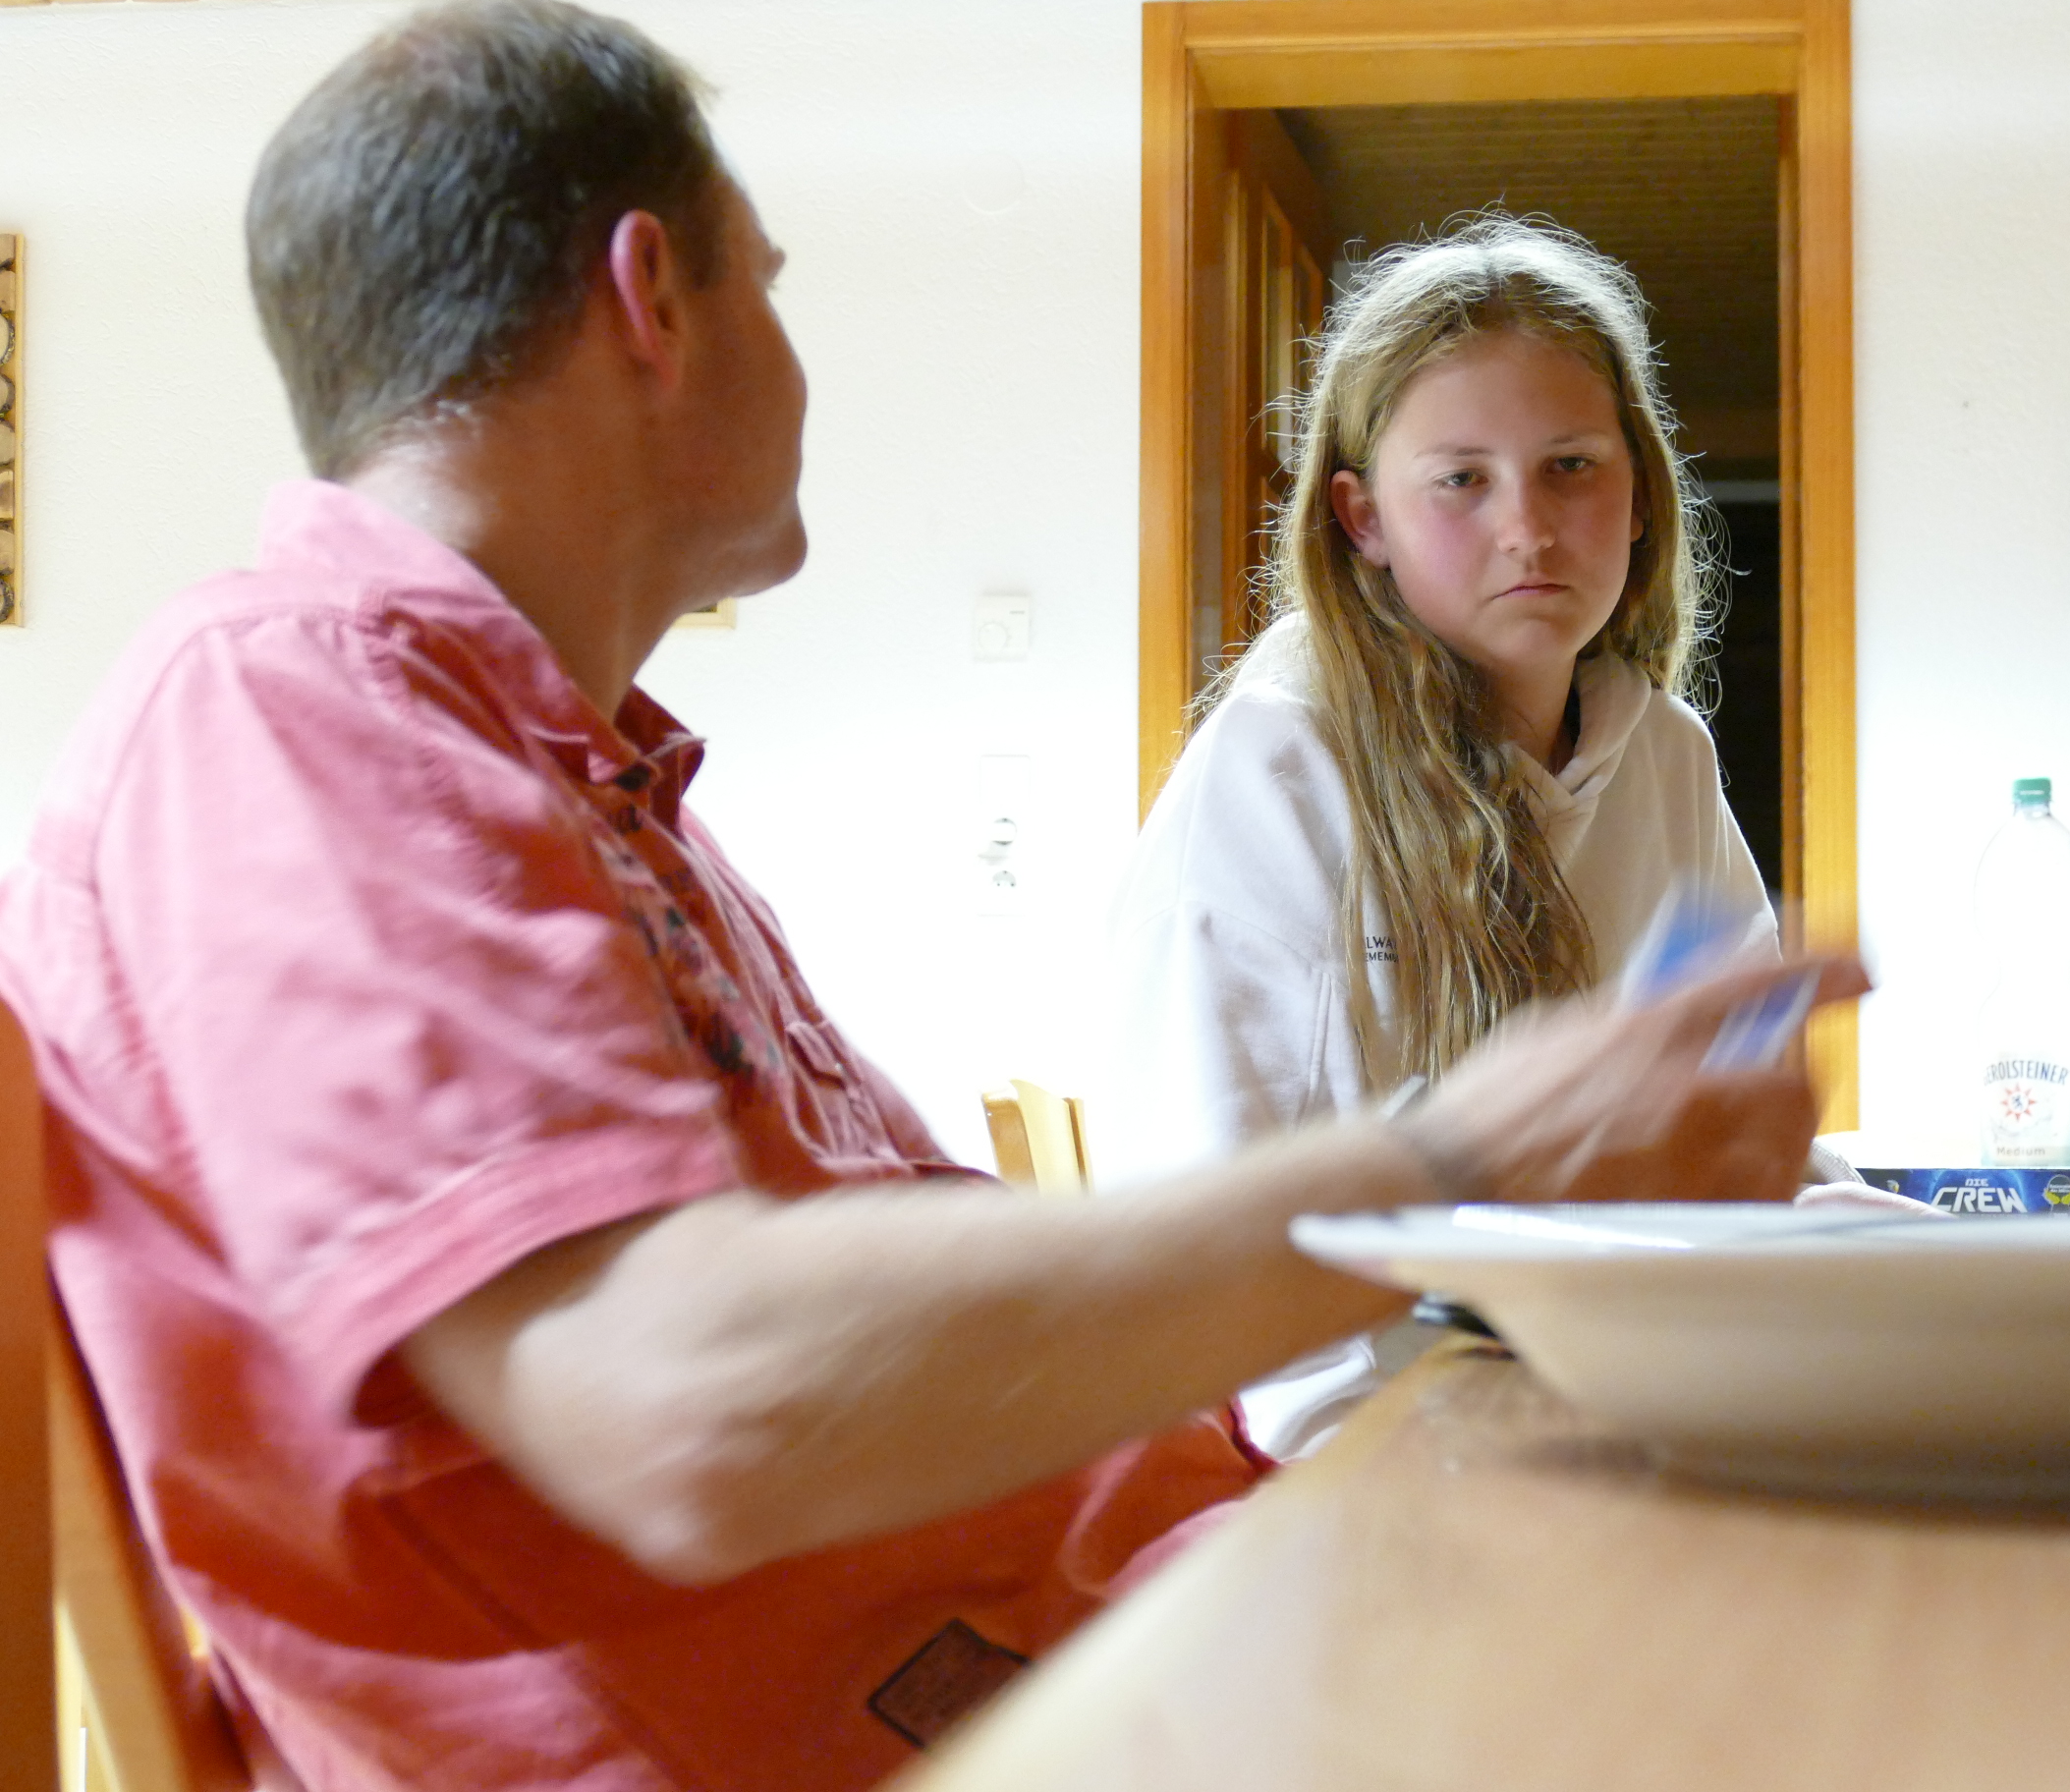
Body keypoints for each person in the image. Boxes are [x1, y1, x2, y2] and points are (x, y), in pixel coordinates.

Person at [0, 7, 1857, 1788]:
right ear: (656, 301)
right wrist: (1456, 1155)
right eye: (769, 282)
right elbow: (686, 1400)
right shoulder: (287, 710)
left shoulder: (572, 778)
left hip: (1138, 1641)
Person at [1096, 217, 1791, 1456]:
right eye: (1462, 480)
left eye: (1571, 466)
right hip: (1355, 1460)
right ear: (1362, 518)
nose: (1529, 527)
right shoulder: (1278, 773)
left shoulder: (1666, 755)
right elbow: (1233, 1282)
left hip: (1623, 1403)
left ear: (1639, 492)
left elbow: (1727, 1134)